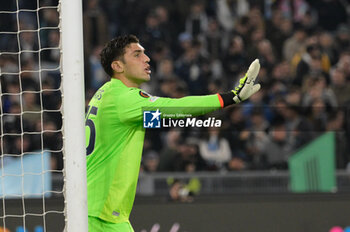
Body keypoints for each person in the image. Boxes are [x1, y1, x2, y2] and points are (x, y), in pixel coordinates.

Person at [86, 34, 261, 231]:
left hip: (97, 209)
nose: (147, 59)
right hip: (101, 216)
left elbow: (161, 116)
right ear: (117, 66)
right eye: (137, 55)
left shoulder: (106, 93)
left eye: (144, 53)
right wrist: (230, 98)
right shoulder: (124, 98)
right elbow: (177, 106)